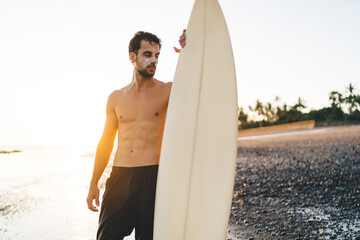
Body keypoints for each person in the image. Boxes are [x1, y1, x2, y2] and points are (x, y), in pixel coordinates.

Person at [86, 30, 186, 240]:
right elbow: (106, 142)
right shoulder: (115, 97)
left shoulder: (168, 91)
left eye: (157, 55)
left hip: (153, 178)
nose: (154, 60)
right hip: (119, 178)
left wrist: (190, 48)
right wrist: (94, 182)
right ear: (132, 56)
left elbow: (197, 82)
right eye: (147, 54)